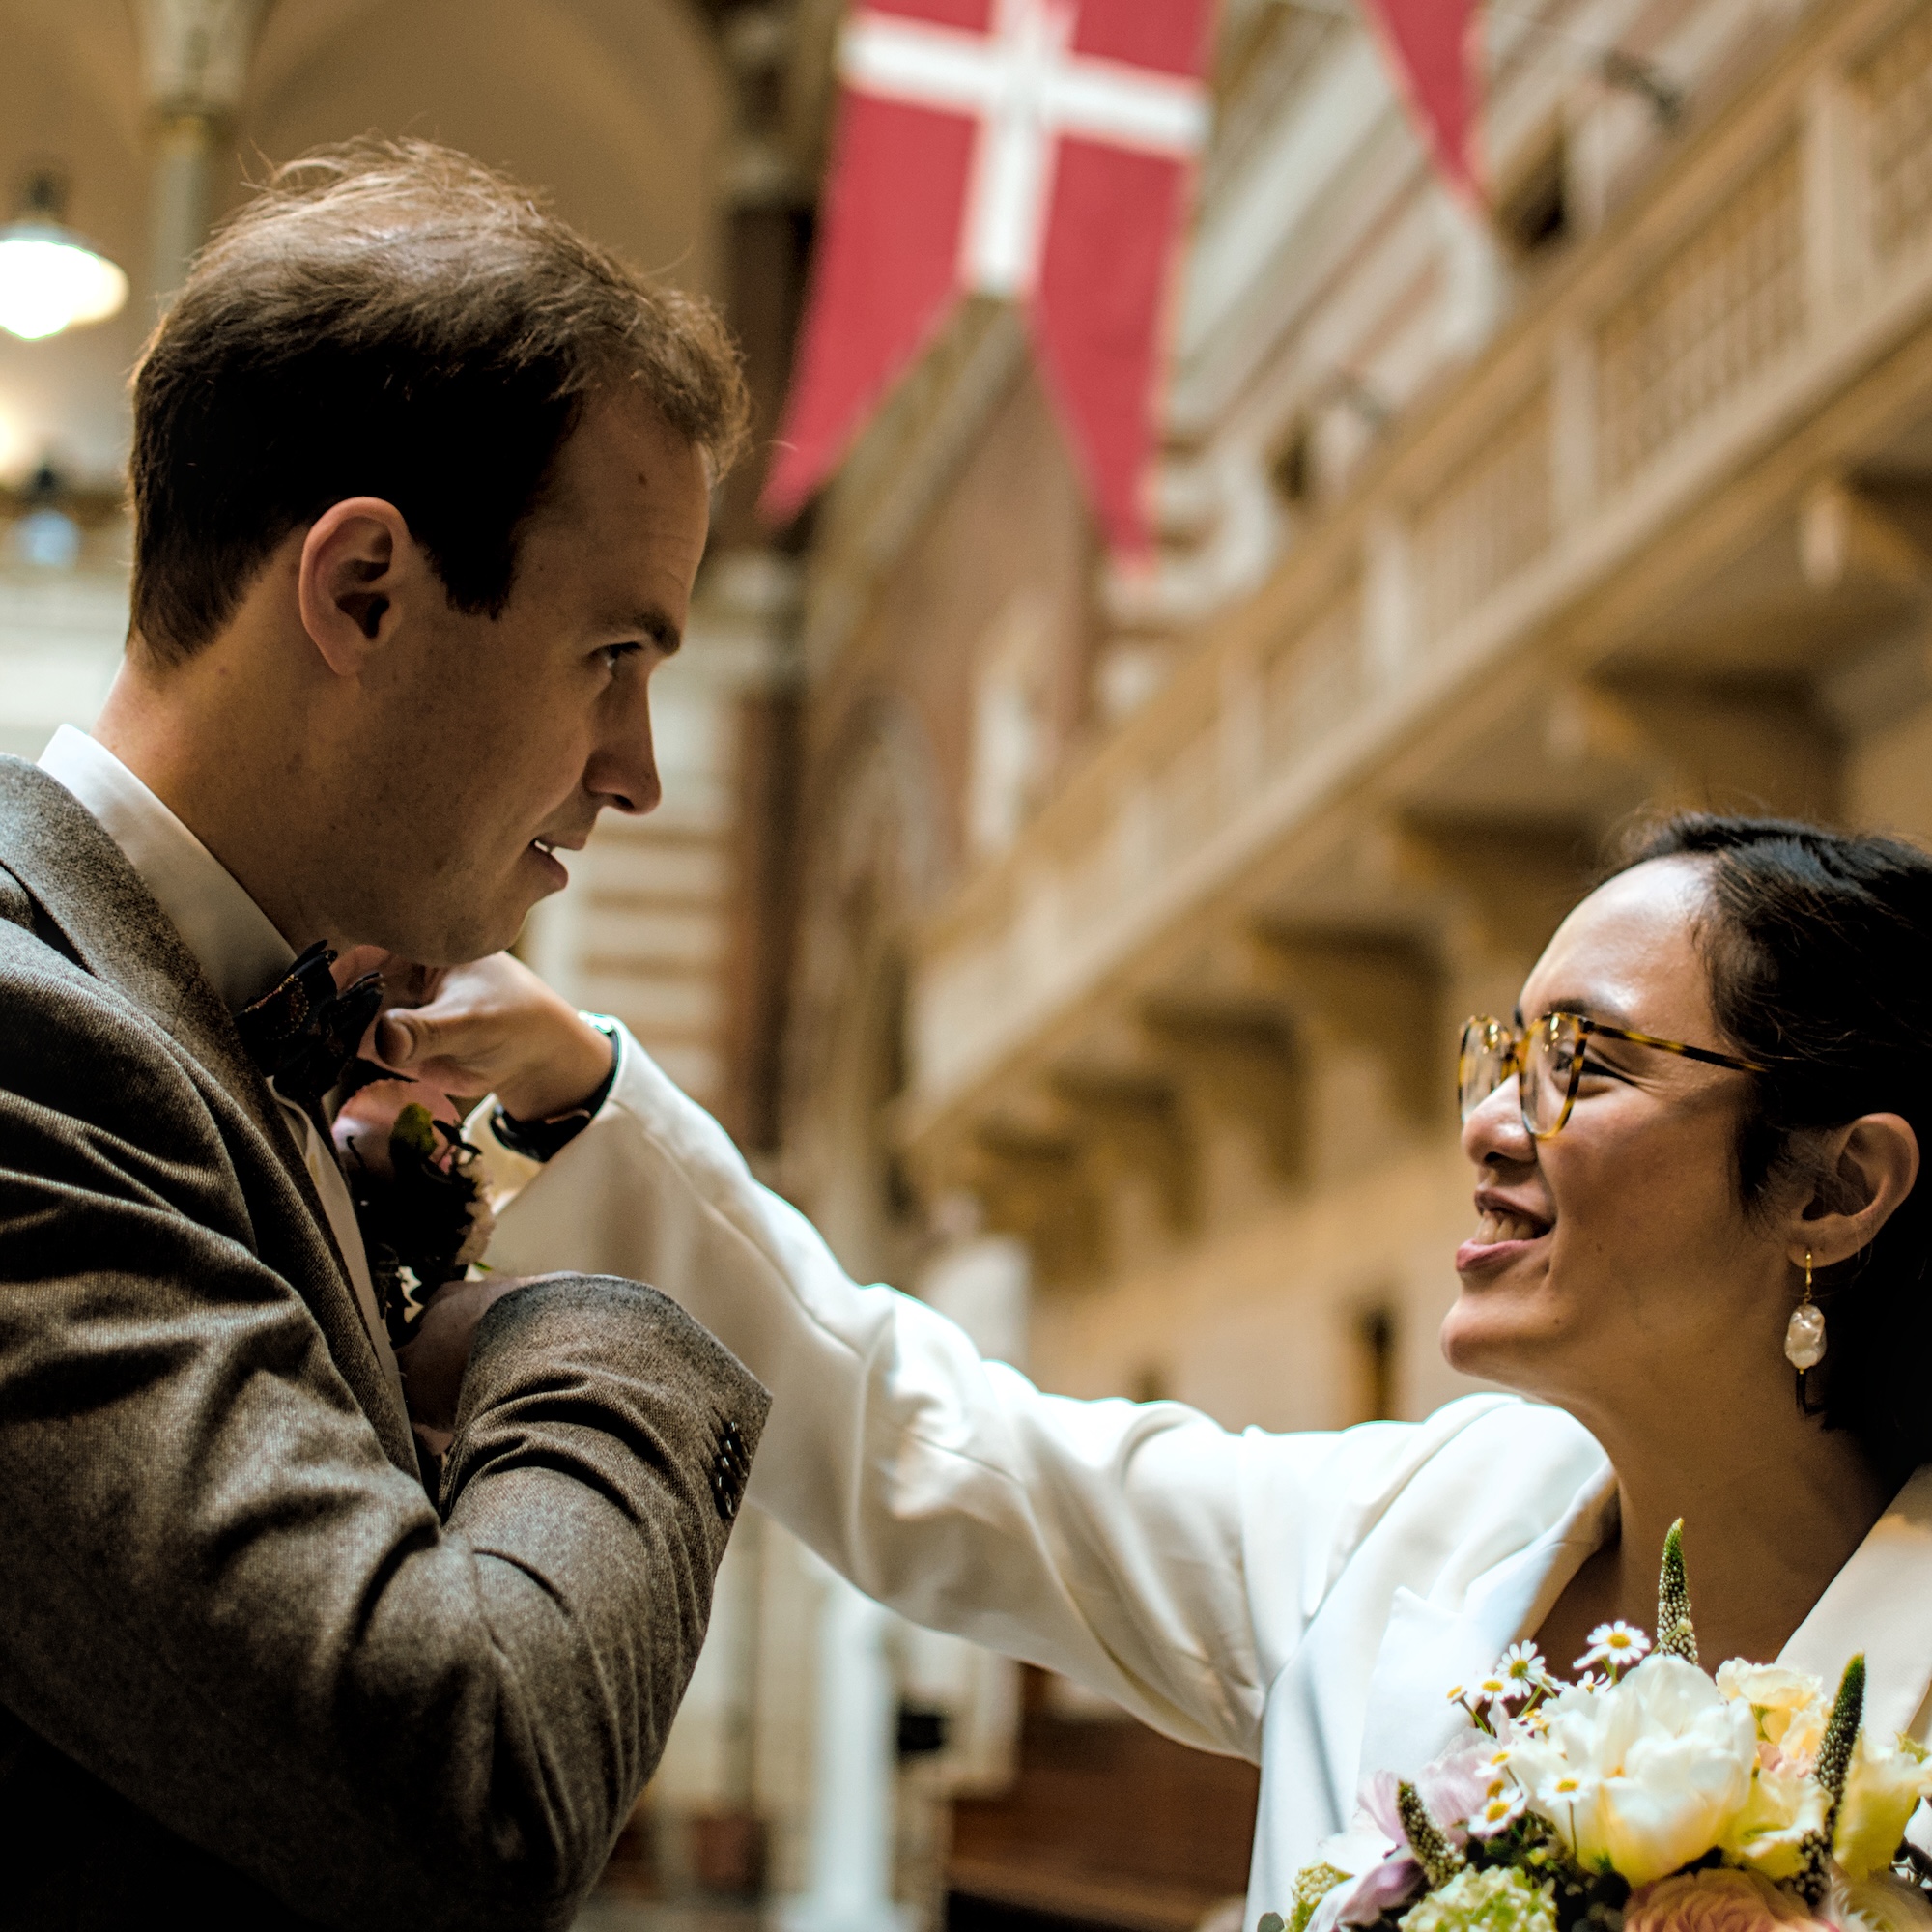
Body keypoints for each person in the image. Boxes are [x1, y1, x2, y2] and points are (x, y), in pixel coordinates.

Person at [387, 814, 1932, 1923]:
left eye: (1584, 1062)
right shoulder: (1424, 1524)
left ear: (1834, 1189)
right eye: (1497, 1054)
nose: (1488, 1122)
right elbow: (933, 1449)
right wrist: (583, 1087)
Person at [0, 141, 770, 1926]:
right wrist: (594, 1341)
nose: (638, 772)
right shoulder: (30, 1048)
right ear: (363, 591)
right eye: (611, 657)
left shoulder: (206, 1020)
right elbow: (468, 1775)